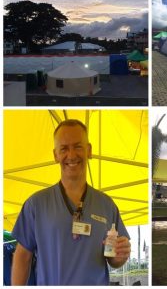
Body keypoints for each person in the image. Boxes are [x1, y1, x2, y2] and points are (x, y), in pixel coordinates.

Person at [11, 119, 131, 285]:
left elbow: (114, 261)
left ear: (89, 150)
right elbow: (22, 256)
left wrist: (121, 256)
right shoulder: (35, 204)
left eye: (78, 146)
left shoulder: (107, 205)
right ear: (55, 155)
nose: (72, 155)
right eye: (64, 148)